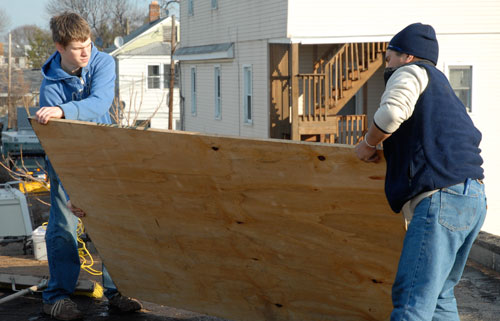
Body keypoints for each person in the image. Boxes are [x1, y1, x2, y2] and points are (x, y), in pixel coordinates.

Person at [355, 23, 487, 320]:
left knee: (411, 301)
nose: (386, 66)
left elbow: (391, 113)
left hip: (442, 198)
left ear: (407, 57)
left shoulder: (411, 73)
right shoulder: (443, 89)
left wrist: (368, 143)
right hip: (473, 198)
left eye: (389, 58)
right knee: (439, 297)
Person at [36, 12, 142, 320]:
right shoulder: (50, 86)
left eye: (89, 43)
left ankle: (118, 290)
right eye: (78, 48)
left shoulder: (103, 62)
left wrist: (62, 110)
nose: (86, 52)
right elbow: (57, 145)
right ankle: (56, 297)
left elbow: (98, 105)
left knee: (113, 222)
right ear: (59, 47)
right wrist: (73, 193)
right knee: (63, 225)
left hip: (102, 154)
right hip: (64, 158)